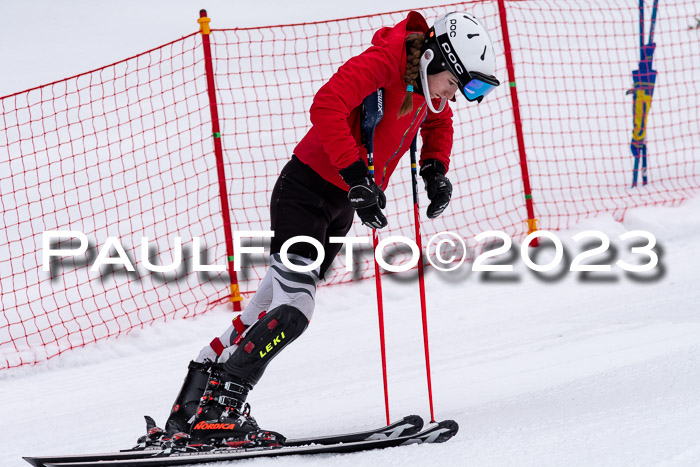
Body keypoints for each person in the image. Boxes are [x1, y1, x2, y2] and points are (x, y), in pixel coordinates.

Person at [139, 10, 500, 448]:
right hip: (305, 192)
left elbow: (437, 121)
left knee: (264, 310)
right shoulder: (385, 60)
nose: (457, 95)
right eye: (459, 82)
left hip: (341, 206)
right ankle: (220, 410)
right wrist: (356, 174)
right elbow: (326, 103)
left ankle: (189, 410)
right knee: (295, 309)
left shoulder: (428, 89)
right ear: (436, 59)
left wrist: (434, 169)